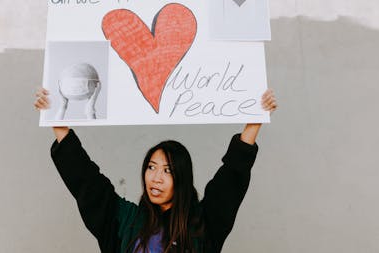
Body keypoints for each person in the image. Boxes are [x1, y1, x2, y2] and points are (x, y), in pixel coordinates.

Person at [34, 88, 277, 253]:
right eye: (151, 167)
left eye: (167, 170)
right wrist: (58, 123)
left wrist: (254, 122)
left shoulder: (202, 225)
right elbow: (87, 181)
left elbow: (230, 180)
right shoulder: (124, 221)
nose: (156, 177)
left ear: (182, 179)